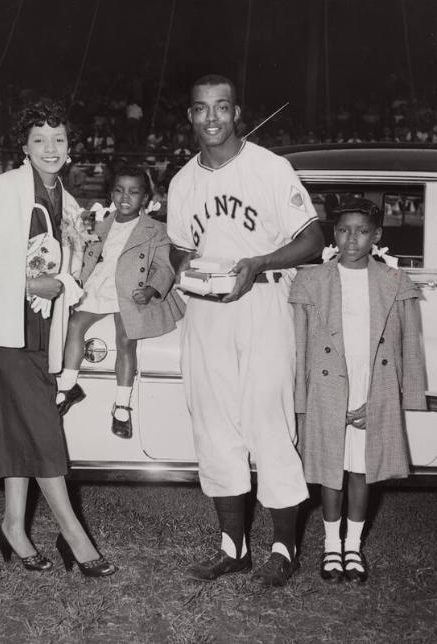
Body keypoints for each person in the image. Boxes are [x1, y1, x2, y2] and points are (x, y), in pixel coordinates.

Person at [0, 101, 116, 578]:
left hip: (40, 327)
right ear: (24, 147)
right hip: (3, 326)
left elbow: (71, 267)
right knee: (41, 426)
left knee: (22, 424)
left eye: (58, 139)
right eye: (39, 140)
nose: (50, 148)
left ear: (71, 148)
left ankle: (14, 527)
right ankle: (74, 535)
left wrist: (89, 251)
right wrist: (25, 283)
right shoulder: (1, 190)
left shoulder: (67, 200)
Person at [167, 74, 324, 586]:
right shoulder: (183, 180)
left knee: (268, 423)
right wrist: (186, 264)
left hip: (262, 300)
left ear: (237, 113)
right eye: (200, 109)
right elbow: (177, 246)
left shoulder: (269, 168)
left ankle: (284, 548)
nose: (211, 118)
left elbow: (313, 239)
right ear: (190, 116)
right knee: (213, 426)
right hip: (206, 310)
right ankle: (232, 549)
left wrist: (257, 264)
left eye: (221, 107)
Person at [289, 198, 426, 583]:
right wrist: (301, 401)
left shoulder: (394, 282)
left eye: (362, 231)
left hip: (372, 386)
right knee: (331, 470)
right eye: (345, 230)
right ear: (334, 234)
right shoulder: (311, 280)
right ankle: (331, 547)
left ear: (377, 236)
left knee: (362, 470)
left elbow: (409, 347)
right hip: (328, 387)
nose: (352, 239)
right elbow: (299, 347)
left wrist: (392, 400)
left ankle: (353, 547)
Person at [56, 165, 184, 438]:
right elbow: (73, 240)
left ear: (146, 199)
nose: (125, 198)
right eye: (118, 190)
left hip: (130, 291)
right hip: (99, 285)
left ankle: (122, 404)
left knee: (126, 338)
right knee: (75, 324)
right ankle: (68, 385)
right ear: (111, 193)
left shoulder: (156, 229)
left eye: (134, 192)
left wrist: (151, 289)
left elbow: (165, 267)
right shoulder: (98, 221)